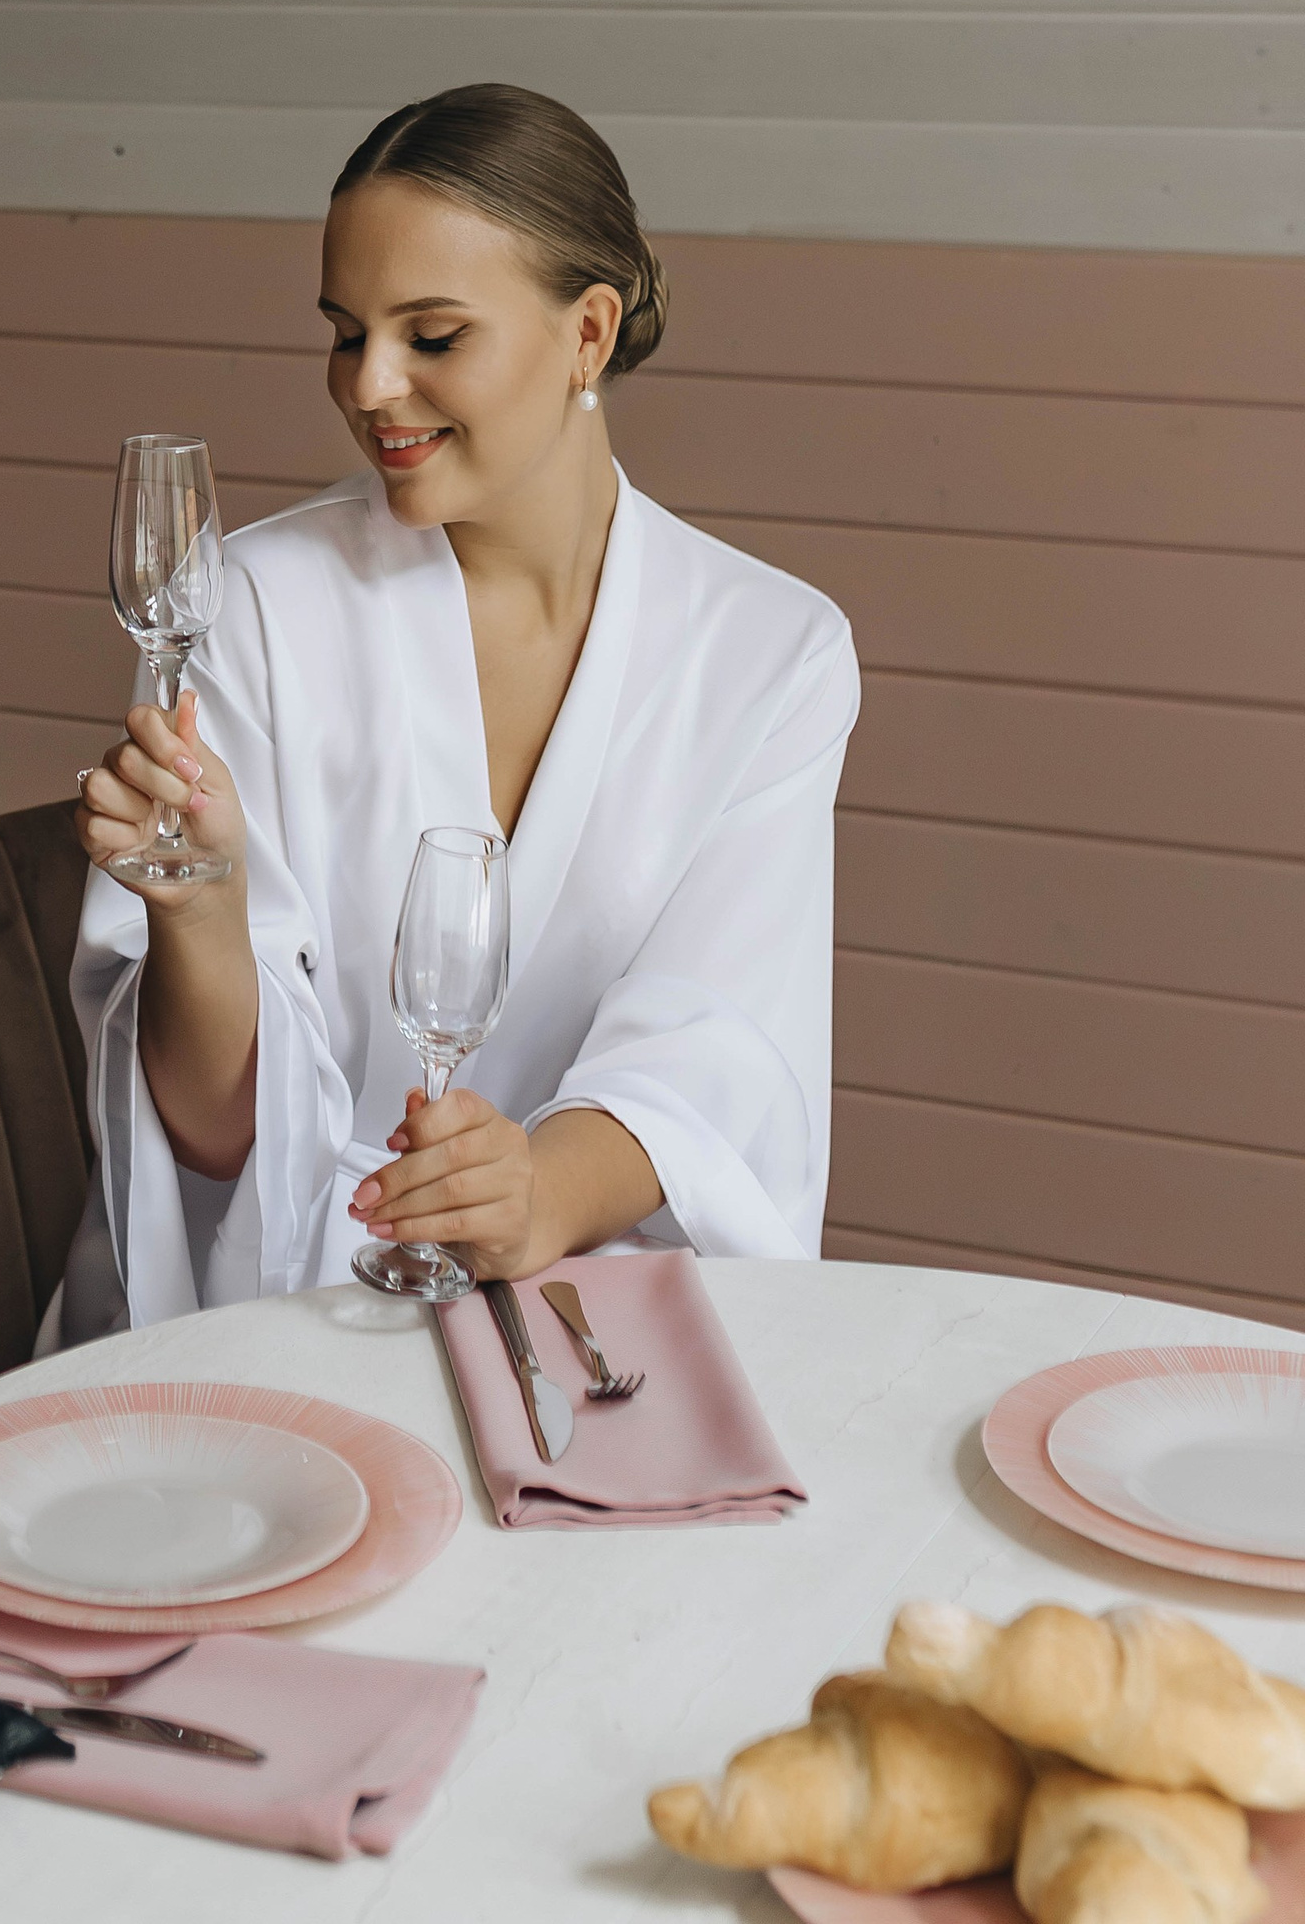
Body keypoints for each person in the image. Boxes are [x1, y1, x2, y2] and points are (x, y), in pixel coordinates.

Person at [62, 83, 856, 1337]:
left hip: (583, 1305)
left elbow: (719, 1049)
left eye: (431, 337)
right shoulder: (254, 605)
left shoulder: (769, 654)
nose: (370, 386)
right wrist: (202, 911)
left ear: (587, 333)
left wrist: (533, 1194)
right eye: (343, 332)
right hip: (283, 1301)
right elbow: (217, 1142)